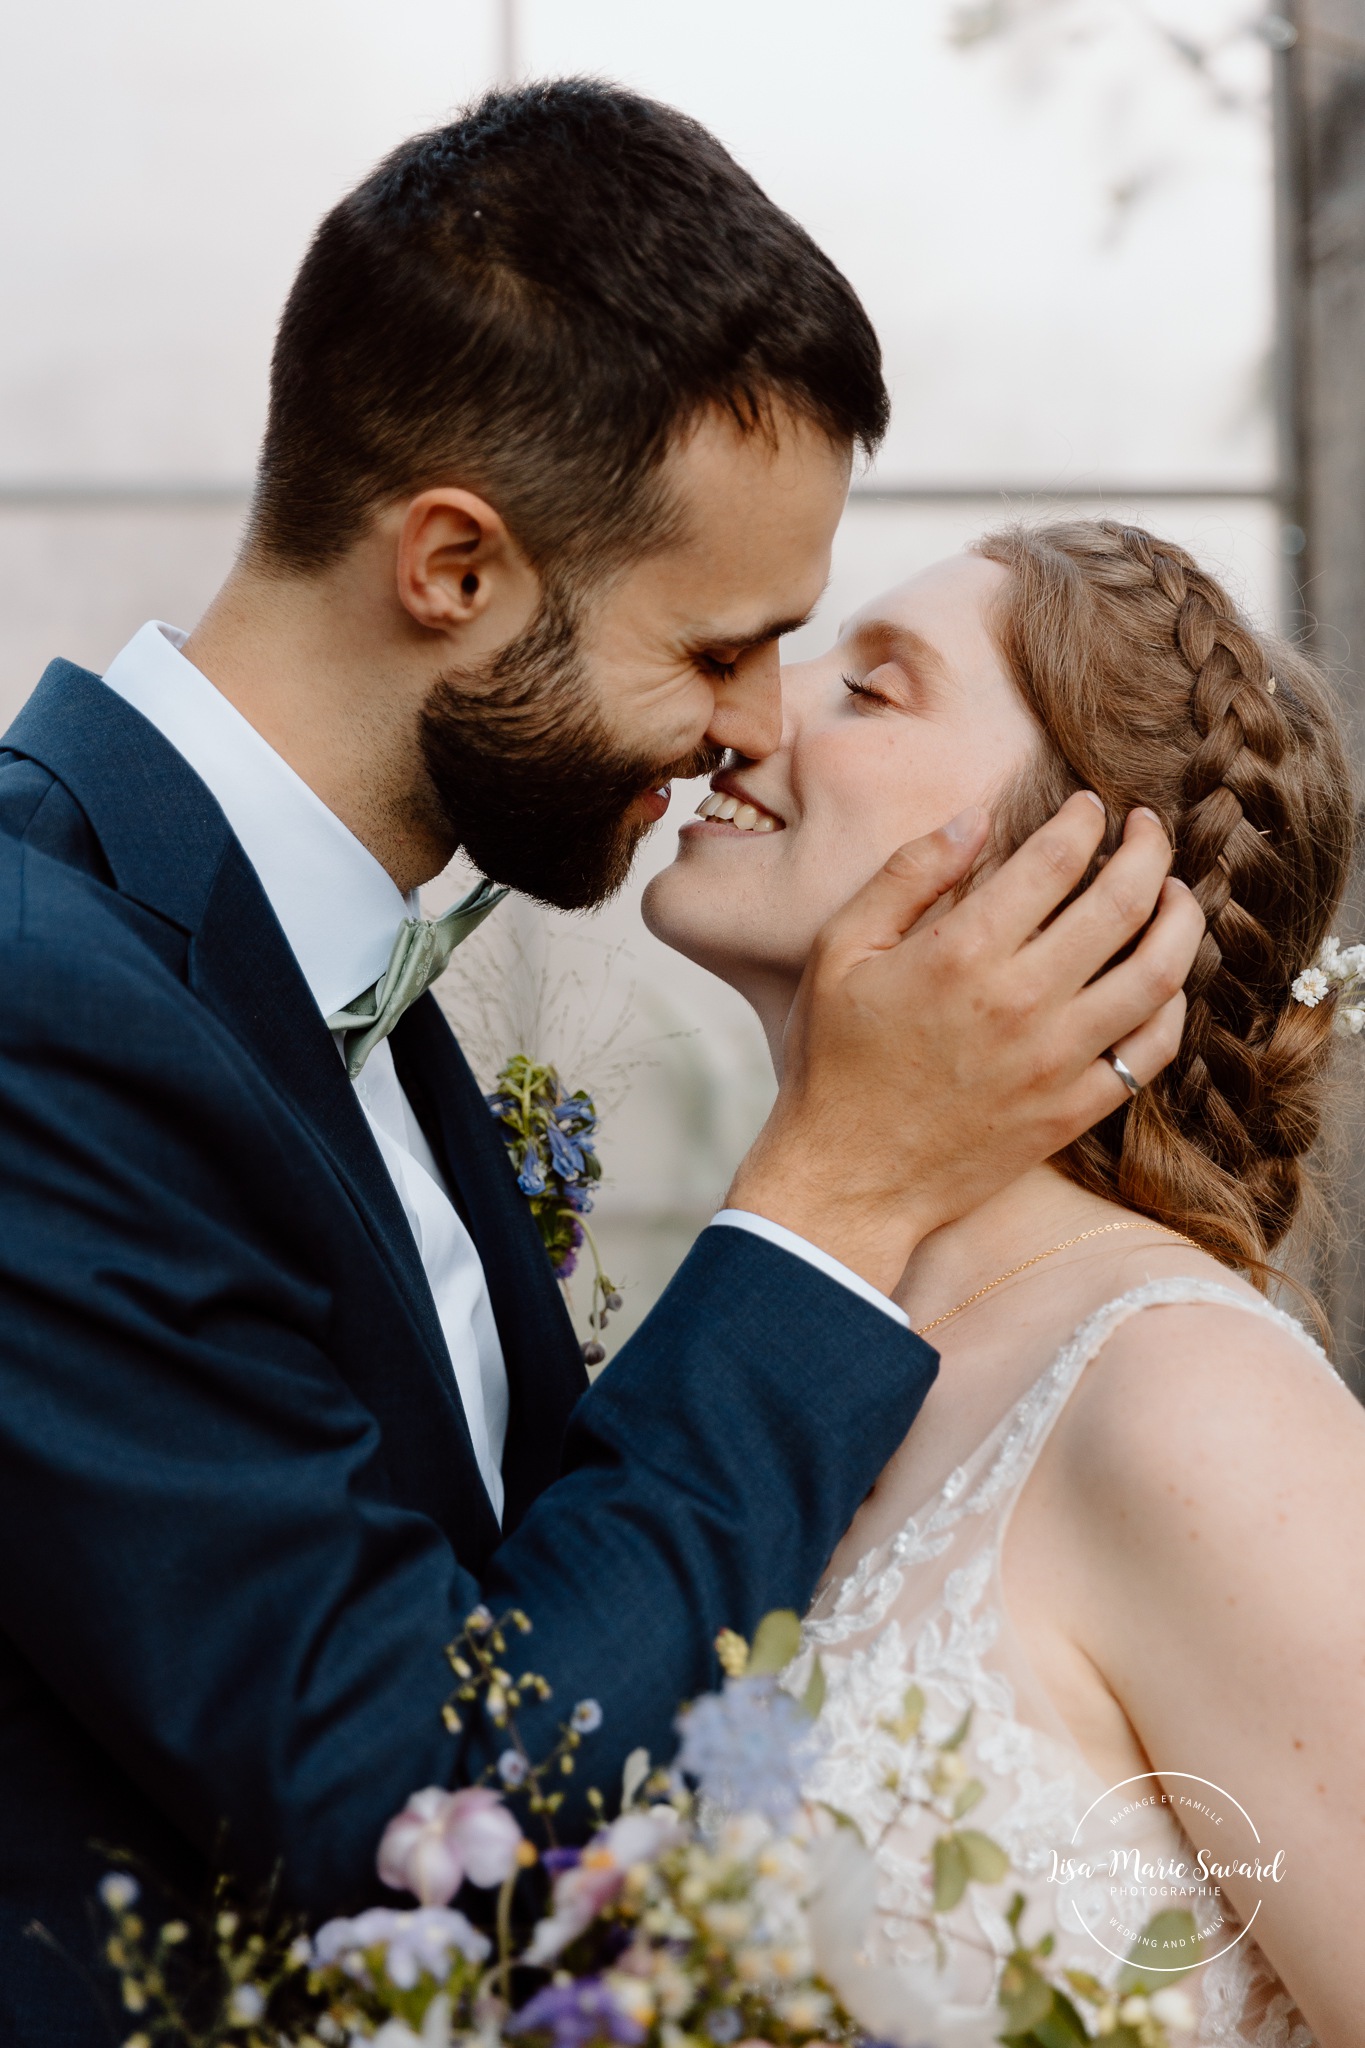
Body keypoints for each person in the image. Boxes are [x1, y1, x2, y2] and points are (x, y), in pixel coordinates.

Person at [0, 84, 1201, 2043]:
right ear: (454, 570)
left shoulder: (312, 978)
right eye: (720, 644)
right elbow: (416, 1802)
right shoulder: (40, 999)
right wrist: (836, 1188)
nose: (750, 731)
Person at [643, 518, 1364, 2046]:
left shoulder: (1186, 1403)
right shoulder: (774, 1332)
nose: (750, 712)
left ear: (1084, 870)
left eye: (872, 687)